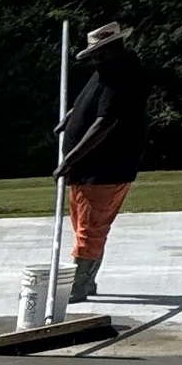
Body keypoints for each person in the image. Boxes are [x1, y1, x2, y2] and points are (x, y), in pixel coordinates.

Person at [57, 22, 149, 304]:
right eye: (93, 55)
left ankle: (80, 284)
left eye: (99, 54)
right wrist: (70, 117)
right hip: (87, 170)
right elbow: (91, 101)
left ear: (114, 49)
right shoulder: (107, 70)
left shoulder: (123, 75)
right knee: (84, 225)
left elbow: (105, 121)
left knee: (90, 229)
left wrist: (69, 159)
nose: (95, 60)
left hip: (104, 168)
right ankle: (88, 279)